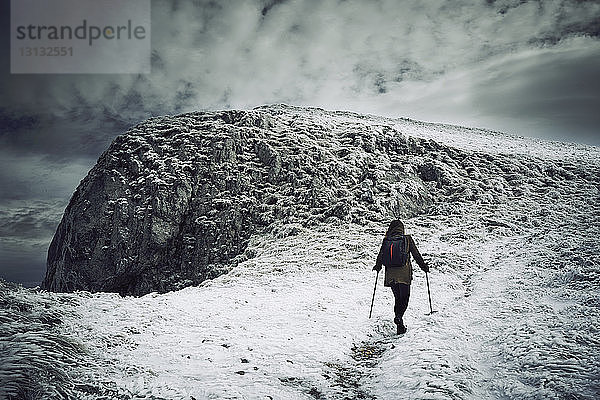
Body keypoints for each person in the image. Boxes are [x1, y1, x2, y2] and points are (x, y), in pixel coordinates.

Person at [373, 220, 429, 334]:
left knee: (397, 298)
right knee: (404, 298)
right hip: (404, 274)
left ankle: (400, 325)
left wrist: (377, 267)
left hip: (391, 275)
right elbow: (416, 255)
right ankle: (399, 317)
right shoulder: (407, 239)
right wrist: (424, 267)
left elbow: (380, 256)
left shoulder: (386, 240)